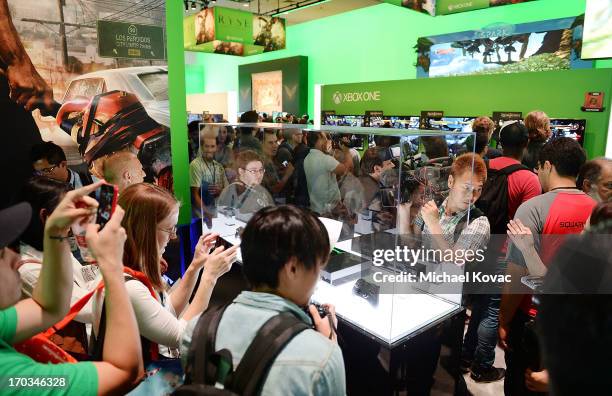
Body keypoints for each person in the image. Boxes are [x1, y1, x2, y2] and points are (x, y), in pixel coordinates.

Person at [181, 205, 346, 395]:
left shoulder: (196, 330)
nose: (317, 279)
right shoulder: (322, 358)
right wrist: (328, 347)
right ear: (292, 269)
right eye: (318, 266)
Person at [0, 182, 144, 394]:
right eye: (2, 254)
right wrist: (111, 264)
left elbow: (47, 307)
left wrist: (56, 231)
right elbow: (124, 372)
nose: (14, 258)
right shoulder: (12, 379)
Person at [92, 183, 239, 361]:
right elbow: (181, 337)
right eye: (169, 229)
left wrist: (195, 266)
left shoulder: (129, 270)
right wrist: (209, 277)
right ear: (144, 230)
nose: (173, 236)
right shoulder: (129, 288)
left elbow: (166, 312)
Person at [500, 137, 596, 396]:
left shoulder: (531, 209)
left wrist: (504, 319)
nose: (537, 172)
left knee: (521, 383)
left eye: (539, 167)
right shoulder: (598, 209)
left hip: (533, 319)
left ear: (547, 165)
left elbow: (517, 275)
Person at [461, 122, 540, 383]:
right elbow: (526, 228)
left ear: (499, 142)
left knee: (478, 305)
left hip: (475, 245)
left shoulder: (483, 167)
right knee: (492, 310)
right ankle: (482, 366)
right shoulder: (528, 178)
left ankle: (464, 355)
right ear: (525, 144)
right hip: (503, 252)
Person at [16, 177, 101, 357]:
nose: (77, 214)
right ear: (46, 216)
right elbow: (86, 309)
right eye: (69, 208)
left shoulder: (56, 247)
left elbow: (84, 281)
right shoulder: (28, 268)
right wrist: (112, 266)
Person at [303, 131, 352, 215]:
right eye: (325, 138)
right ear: (319, 140)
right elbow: (347, 170)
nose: (327, 141)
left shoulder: (307, 158)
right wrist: (346, 151)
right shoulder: (324, 159)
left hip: (316, 209)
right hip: (329, 211)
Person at [218, 150, 275, 214]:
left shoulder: (262, 192)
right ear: (241, 172)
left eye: (261, 170)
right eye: (253, 171)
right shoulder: (230, 192)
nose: (259, 175)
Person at [190, 127, 229, 218]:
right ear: (202, 147)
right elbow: (194, 194)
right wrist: (207, 213)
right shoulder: (195, 165)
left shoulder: (219, 167)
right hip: (200, 215)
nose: (210, 150)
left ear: (216, 148)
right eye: (206, 146)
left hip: (217, 212)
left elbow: (227, 190)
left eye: (212, 146)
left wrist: (220, 191)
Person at [359, 147, 396, 231]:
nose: (393, 165)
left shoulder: (362, 181)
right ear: (377, 169)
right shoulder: (374, 193)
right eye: (389, 163)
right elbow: (381, 226)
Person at [261, 130, 294, 203]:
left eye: (276, 142)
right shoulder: (265, 163)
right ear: (261, 144)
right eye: (270, 143)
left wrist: (280, 170)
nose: (275, 145)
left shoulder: (267, 160)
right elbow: (275, 189)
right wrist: (287, 174)